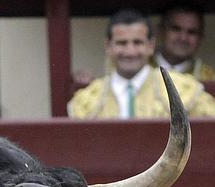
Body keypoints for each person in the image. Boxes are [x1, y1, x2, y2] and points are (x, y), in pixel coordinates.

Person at [68, 9, 215, 119]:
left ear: (150, 45)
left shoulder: (185, 89)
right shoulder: (87, 100)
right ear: (108, 46)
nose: (130, 51)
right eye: (122, 43)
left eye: (137, 42)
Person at [153, 3, 215, 81]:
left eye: (192, 32)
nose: (183, 38)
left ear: (201, 38)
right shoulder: (138, 71)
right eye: (176, 29)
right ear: (160, 31)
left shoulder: (210, 79)